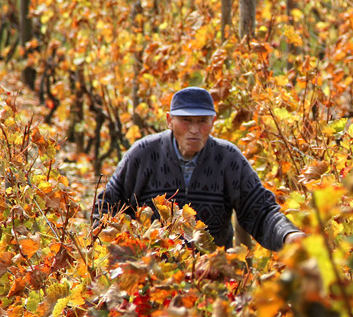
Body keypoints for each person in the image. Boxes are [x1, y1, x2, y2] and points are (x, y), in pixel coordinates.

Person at [93, 87, 304, 251]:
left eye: (202, 122)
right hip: (150, 280)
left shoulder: (229, 158)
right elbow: (106, 208)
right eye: (186, 121)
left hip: (212, 277)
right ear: (169, 120)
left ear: (213, 121)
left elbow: (260, 210)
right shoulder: (143, 154)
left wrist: (288, 235)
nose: (194, 130)